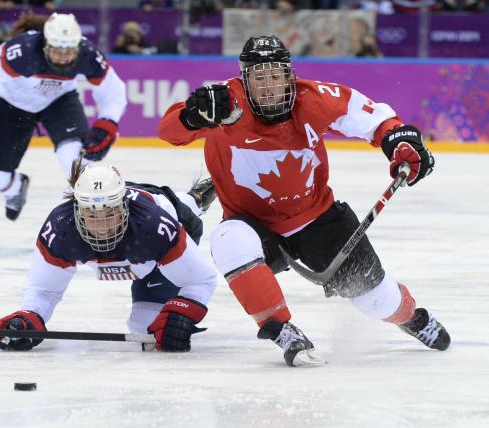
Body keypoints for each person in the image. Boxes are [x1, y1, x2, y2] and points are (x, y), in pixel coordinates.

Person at [157, 35, 450, 367]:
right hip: (254, 224)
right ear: (244, 80)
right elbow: (169, 132)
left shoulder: (315, 99)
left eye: (275, 76)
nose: (268, 86)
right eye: (258, 77)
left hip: (319, 221)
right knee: (228, 240)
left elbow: (377, 121)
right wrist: (192, 117)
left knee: (377, 301)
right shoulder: (223, 104)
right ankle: (281, 330)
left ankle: (411, 318)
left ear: (289, 76)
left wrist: (400, 142)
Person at [0, 160, 219, 352]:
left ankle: (195, 199)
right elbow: (43, 290)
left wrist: (183, 311)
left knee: (147, 331)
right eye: (91, 215)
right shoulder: (61, 228)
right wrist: (29, 315)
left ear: (124, 207)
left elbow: (201, 279)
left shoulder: (155, 226)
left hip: (169, 223)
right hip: (141, 246)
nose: (101, 227)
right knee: (148, 333)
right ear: (77, 209)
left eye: (109, 214)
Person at [0, 13, 127, 221]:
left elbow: (114, 90)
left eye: (69, 51)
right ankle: (15, 188)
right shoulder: (22, 52)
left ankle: (89, 220)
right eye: (57, 51)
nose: (64, 57)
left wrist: (107, 123)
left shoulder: (88, 55)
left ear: (78, 47)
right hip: (13, 103)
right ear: (46, 45)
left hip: (59, 101)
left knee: (77, 162)